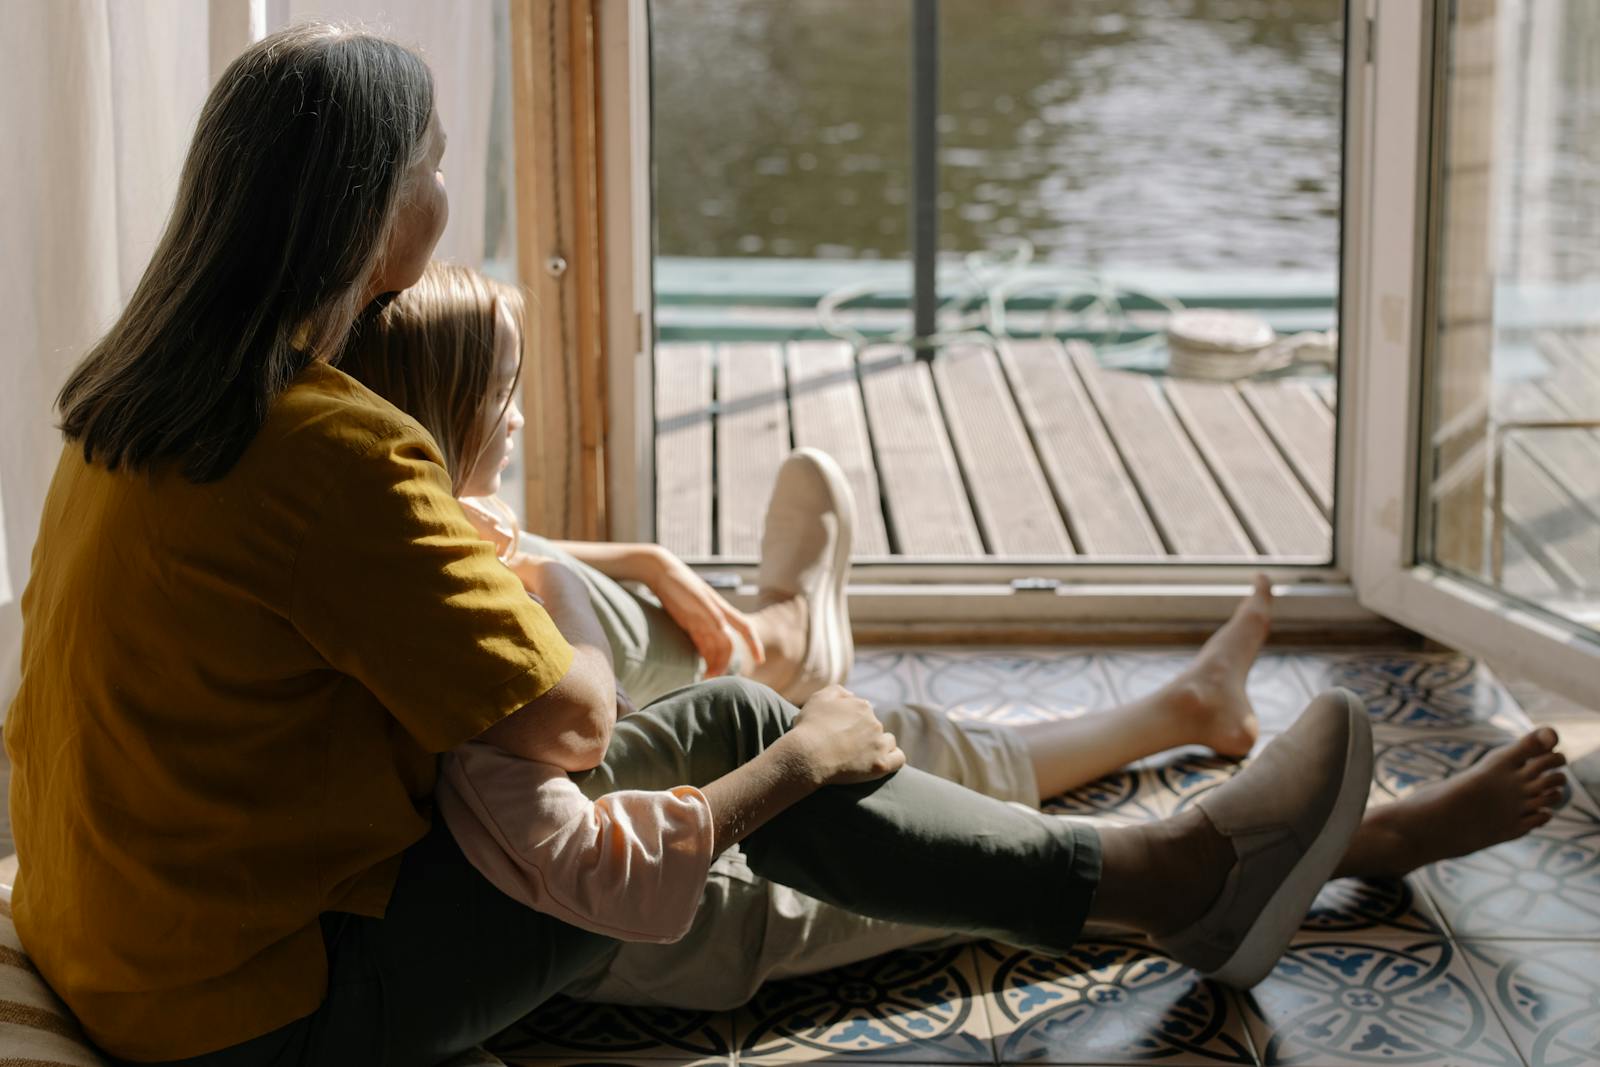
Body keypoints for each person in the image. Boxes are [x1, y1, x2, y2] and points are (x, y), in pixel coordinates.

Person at [340, 261, 1572, 1011]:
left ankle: (1178, 712)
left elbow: (489, 529)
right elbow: (573, 837)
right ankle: (1358, 839)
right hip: (637, 922)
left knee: (880, 747)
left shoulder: (400, 525)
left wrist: (623, 560)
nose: (521, 419)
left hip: (595, 859)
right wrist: (772, 748)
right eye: (502, 402)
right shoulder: (479, 649)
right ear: (437, 425)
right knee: (910, 844)